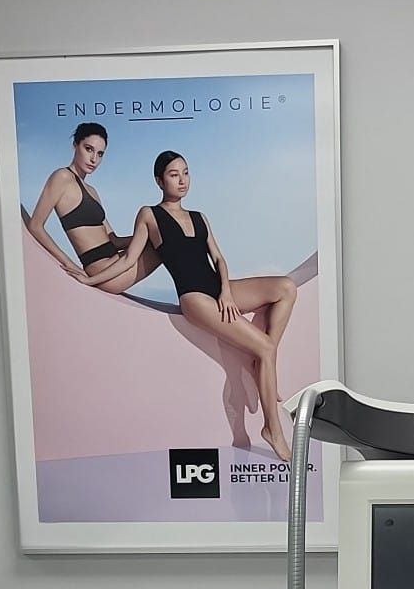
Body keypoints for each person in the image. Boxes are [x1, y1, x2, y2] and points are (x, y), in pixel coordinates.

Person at [82, 150, 298, 462]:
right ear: (159, 180)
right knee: (264, 348)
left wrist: (225, 292)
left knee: (286, 288)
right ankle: (271, 428)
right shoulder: (149, 215)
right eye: (174, 174)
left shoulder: (199, 217)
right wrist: (91, 280)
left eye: (186, 172)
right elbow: (129, 259)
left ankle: (262, 363)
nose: (182, 180)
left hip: (216, 289)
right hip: (194, 297)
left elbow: (219, 259)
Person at [24, 123, 136, 282]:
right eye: (88, 149)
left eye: (100, 154)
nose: (94, 159)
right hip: (101, 269)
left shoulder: (92, 191)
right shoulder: (62, 177)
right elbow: (35, 226)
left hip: (115, 263)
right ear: (75, 145)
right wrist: (71, 265)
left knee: (167, 238)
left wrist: (145, 236)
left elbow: (115, 241)